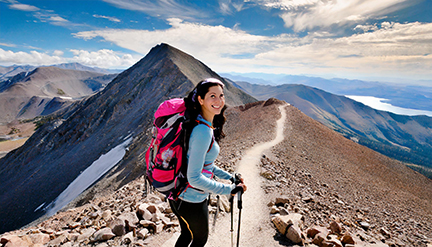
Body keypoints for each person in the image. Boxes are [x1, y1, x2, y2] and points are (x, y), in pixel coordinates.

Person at [168, 78, 247, 247]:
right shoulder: (203, 131)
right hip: (191, 199)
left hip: (180, 195)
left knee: (186, 235)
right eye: (213, 96)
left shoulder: (199, 124)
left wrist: (230, 177)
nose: (219, 101)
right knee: (199, 239)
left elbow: (204, 164)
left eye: (221, 95)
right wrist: (229, 190)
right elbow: (194, 177)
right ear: (200, 100)